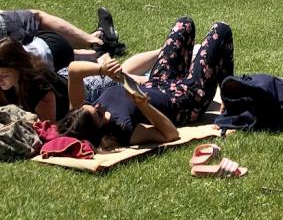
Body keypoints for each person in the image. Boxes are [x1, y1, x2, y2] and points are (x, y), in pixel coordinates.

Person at [56, 17, 233, 150]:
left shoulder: (81, 110)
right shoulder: (122, 130)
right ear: (98, 130)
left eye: (93, 106)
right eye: (99, 115)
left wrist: (103, 70)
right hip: (185, 100)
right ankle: (230, 101)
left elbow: (73, 70)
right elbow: (171, 134)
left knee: (184, 24)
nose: (100, 107)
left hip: (158, 82)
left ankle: (199, 67)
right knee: (221, 30)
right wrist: (144, 105)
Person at [0, 37, 69, 122]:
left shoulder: (39, 86)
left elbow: (47, 129)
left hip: (76, 88)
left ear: (20, 68)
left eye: (4, 76)